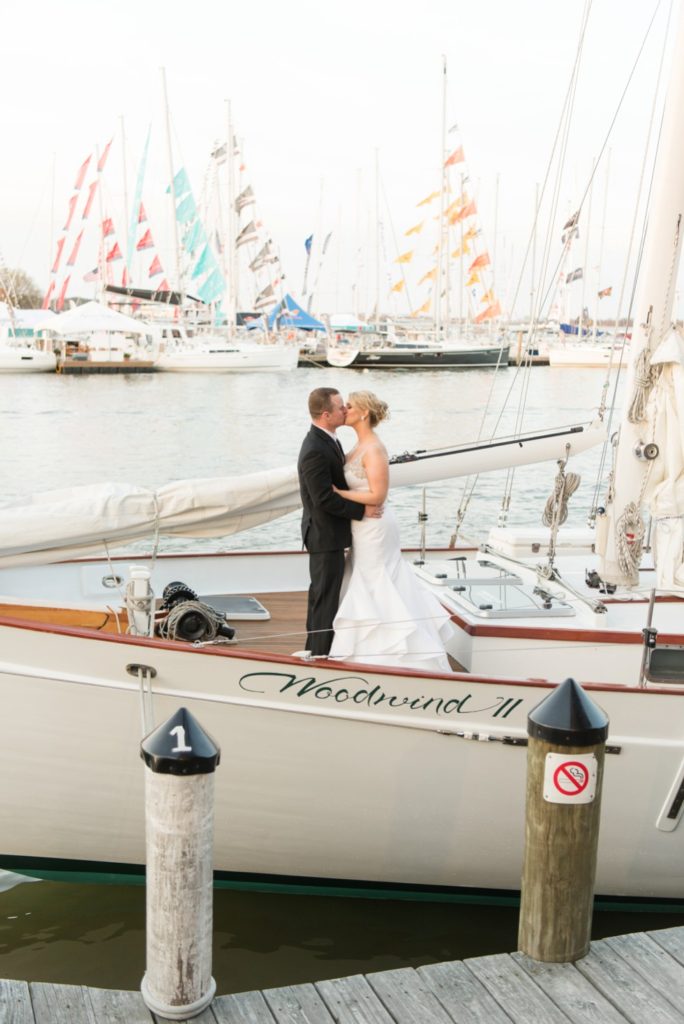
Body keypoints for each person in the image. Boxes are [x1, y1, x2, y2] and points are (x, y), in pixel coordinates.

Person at [328, 390, 453, 673]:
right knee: (363, 577)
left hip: (375, 527)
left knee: (377, 579)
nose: (345, 409)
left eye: (350, 406)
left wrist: (339, 494)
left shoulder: (374, 449)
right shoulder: (357, 446)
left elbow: (378, 496)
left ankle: (392, 652)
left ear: (364, 413)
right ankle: (365, 649)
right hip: (361, 525)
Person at [297, 387, 380, 656]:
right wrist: (362, 511)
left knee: (324, 595)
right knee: (324, 599)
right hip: (324, 535)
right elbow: (323, 499)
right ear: (326, 414)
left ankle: (314, 650)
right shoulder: (315, 449)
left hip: (331, 534)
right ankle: (319, 655)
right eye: (340, 406)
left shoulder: (329, 440)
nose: (345, 410)